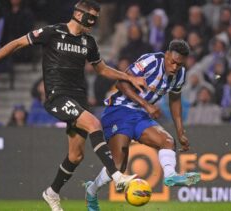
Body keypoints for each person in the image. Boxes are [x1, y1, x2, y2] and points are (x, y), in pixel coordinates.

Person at [0, 1, 146, 211]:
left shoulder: (88, 42)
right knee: (94, 123)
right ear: (77, 14)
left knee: (76, 156)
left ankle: (52, 192)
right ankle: (118, 176)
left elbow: (101, 69)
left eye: (95, 17)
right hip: (57, 96)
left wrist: (127, 77)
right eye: (90, 16)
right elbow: (17, 43)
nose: (92, 21)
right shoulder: (52, 32)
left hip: (79, 98)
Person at [84, 40, 201, 211]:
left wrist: (180, 132)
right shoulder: (151, 61)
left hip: (141, 116)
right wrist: (146, 105)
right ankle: (91, 191)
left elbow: (175, 100)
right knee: (118, 166)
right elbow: (121, 82)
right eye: (172, 62)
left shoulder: (180, 74)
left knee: (167, 141)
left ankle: (170, 175)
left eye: (179, 64)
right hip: (119, 110)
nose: (175, 67)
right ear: (167, 54)